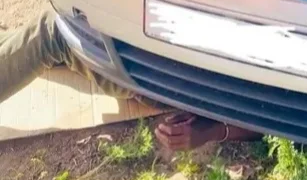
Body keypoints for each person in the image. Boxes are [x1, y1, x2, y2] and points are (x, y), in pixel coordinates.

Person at [0, 9, 260, 152]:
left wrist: (211, 131)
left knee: (56, 31)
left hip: (152, 73)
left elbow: (271, 125)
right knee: (68, 26)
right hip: (162, 42)